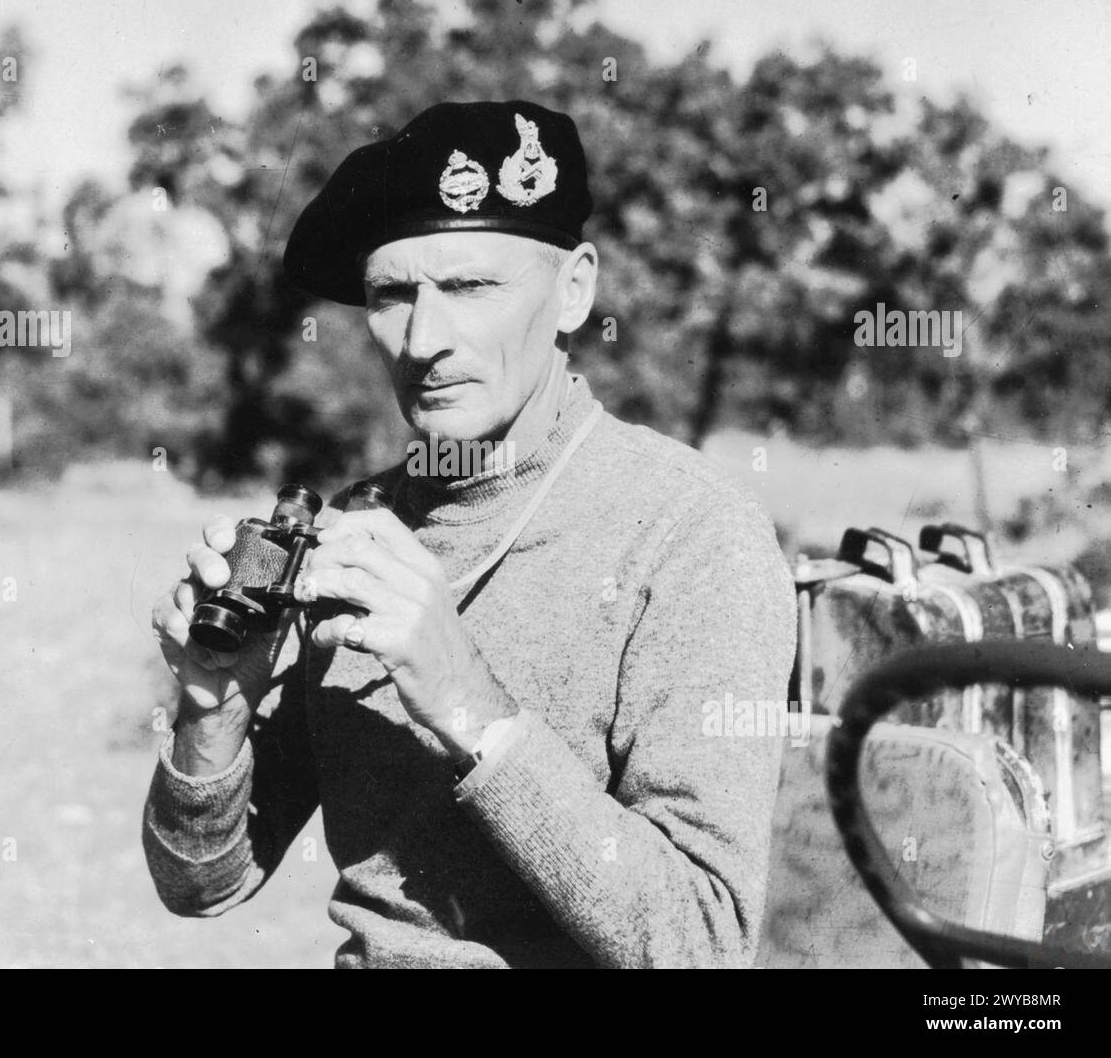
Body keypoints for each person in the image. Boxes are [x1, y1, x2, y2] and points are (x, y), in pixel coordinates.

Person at [144, 100, 796, 968]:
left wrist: (468, 704)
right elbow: (201, 883)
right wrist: (211, 711)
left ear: (574, 291)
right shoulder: (359, 529)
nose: (423, 339)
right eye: (391, 295)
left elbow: (702, 941)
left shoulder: (692, 534)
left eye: (470, 287)